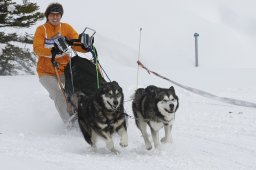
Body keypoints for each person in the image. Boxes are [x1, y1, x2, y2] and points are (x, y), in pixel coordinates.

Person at [33, 3, 87, 126]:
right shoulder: (41, 30)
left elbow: (76, 43)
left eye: (58, 15)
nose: (55, 17)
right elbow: (37, 48)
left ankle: (81, 114)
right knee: (58, 94)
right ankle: (69, 122)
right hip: (45, 72)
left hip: (64, 70)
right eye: (52, 15)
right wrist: (53, 52)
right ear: (48, 16)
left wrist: (84, 47)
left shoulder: (66, 28)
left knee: (73, 91)